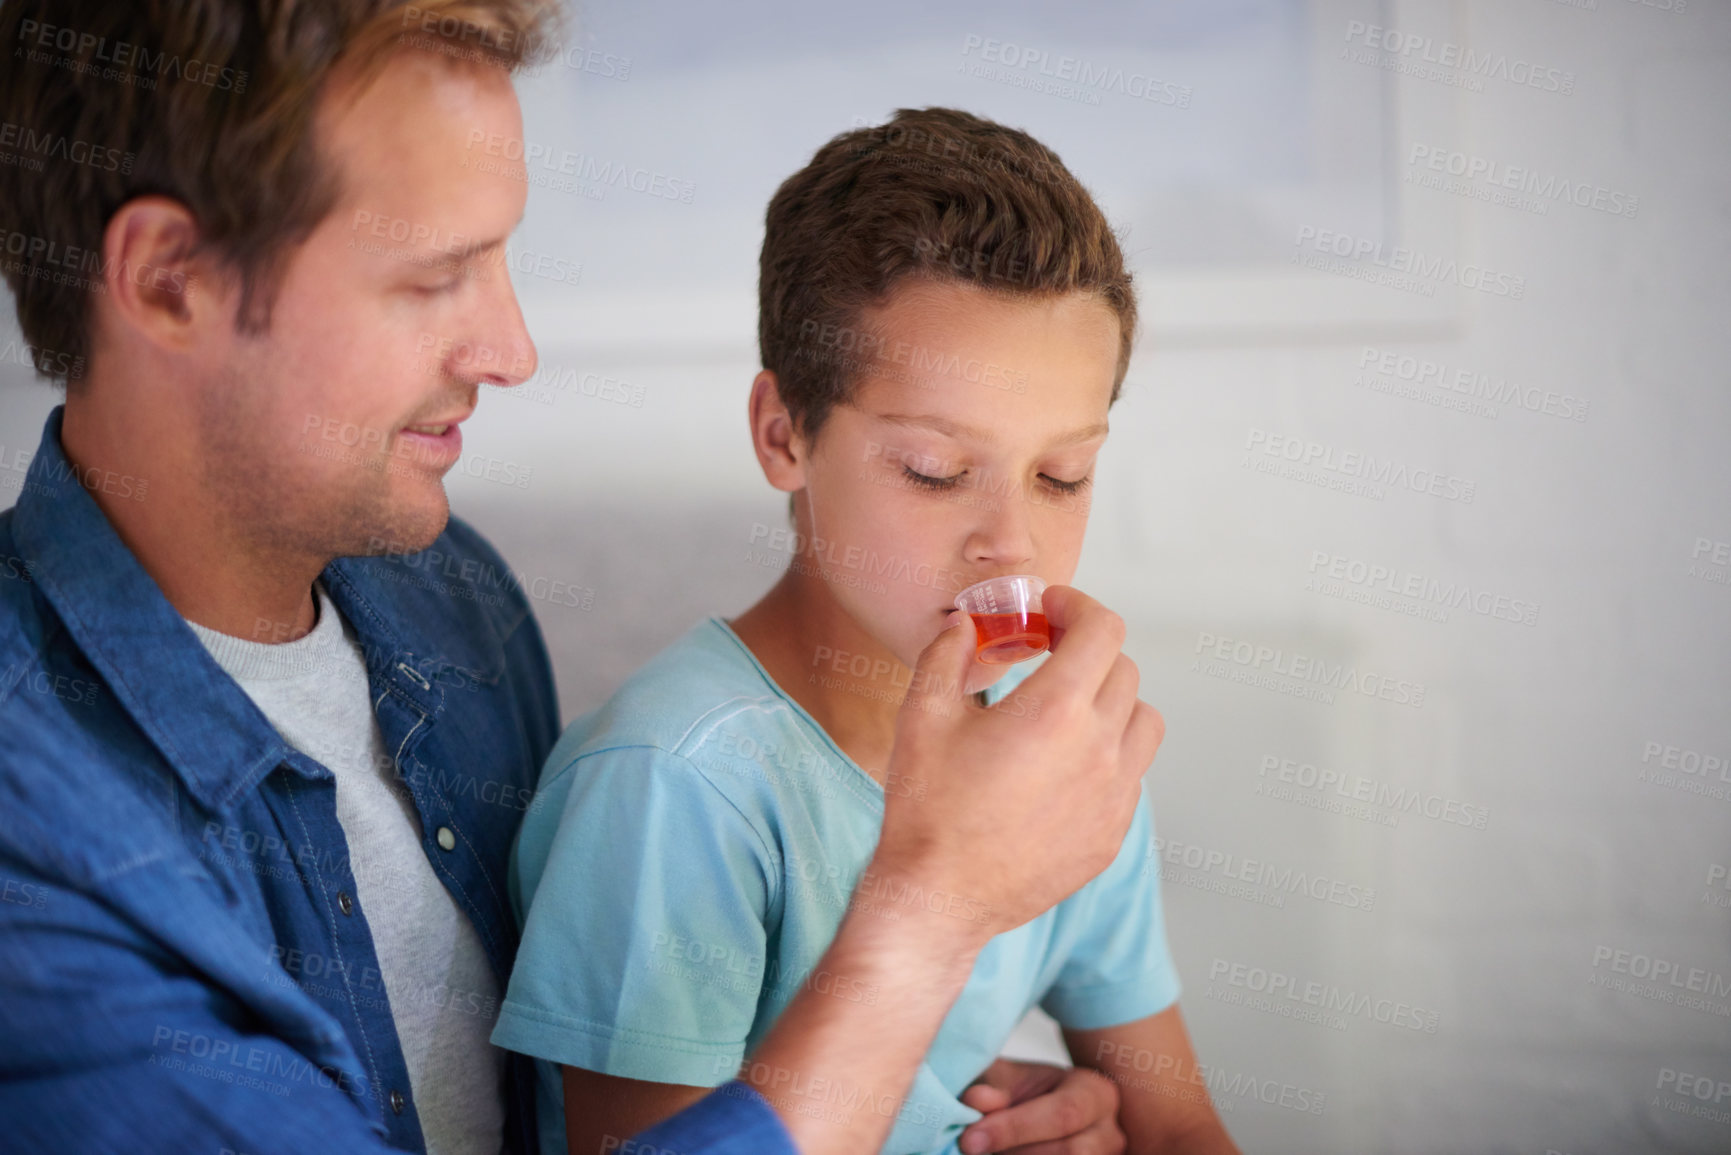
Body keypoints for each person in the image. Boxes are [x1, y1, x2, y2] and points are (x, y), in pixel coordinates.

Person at [0, 4, 1163, 1154]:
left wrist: (917, 1098)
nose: (513, 349)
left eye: (503, 257)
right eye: (432, 276)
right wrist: (928, 922)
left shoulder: (450, 599)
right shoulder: (35, 841)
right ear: (166, 282)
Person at [493, 108, 1238, 1155]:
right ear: (783, 435)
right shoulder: (678, 786)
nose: (1011, 542)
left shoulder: (1055, 745)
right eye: (935, 471)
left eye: (1063, 475)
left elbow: (1176, 1124)